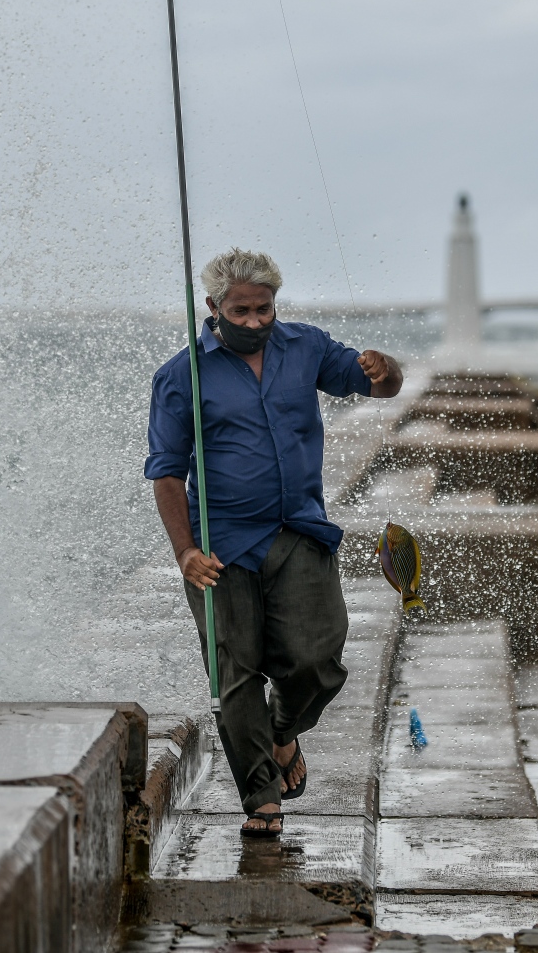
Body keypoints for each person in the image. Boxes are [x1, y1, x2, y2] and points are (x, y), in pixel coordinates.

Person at [145, 248, 402, 838]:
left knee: (318, 658)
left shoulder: (305, 347)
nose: (256, 321)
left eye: (265, 309)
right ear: (213, 308)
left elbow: (378, 385)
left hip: (297, 529)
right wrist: (184, 552)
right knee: (235, 674)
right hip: (222, 543)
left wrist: (386, 372)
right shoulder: (179, 377)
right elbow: (165, 471)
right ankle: (261, 797)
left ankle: (284, 735)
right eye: (242, 311)